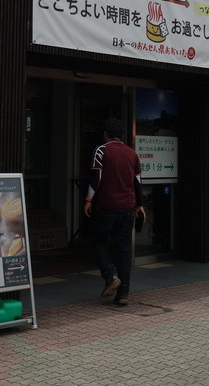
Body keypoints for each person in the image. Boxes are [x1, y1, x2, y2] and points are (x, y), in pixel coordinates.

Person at [83, 117, 145, 306]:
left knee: (97, 241)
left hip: (107, 207)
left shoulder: (101, 150)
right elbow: (137, 181)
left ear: (105, 134)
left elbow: (97, 176)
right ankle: (123, 294)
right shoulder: (132, 153)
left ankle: (110, 275)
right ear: (122, 135)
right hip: (128, 208)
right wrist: (140, 205)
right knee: (124, 250)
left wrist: (88, 199)